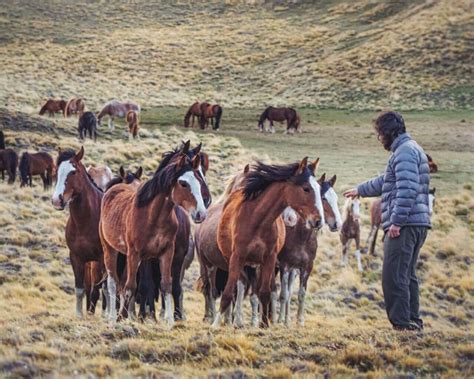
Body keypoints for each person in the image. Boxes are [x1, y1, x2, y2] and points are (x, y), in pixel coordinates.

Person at [344, 111, 431, 331]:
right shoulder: (409, 149)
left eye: (380, 133)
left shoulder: (404, 153)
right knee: (406, 274)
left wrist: (397, 222)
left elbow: (407, 189)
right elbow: (388, 180)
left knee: (393, 276)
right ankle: (412, 321)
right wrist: (361, 190)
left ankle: (402, 325)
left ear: (389, 132)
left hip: (406, 224)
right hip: (416, 222)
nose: (379, 138)